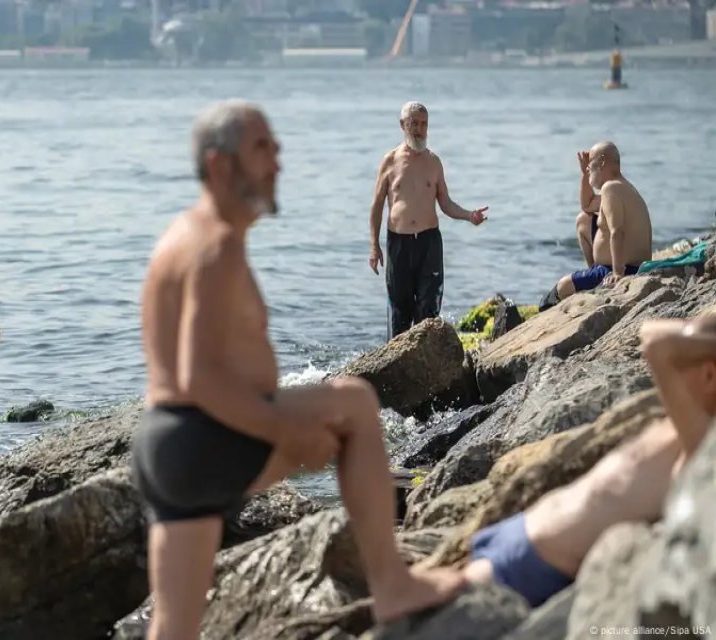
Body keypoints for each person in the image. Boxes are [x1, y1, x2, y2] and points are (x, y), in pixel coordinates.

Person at [132, 100, 464, 640]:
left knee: (174, 626)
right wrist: (282, 430)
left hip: (163, 447)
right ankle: (392, 584)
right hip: (199, 438)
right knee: (355, 405)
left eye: (277, 148)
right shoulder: (212, 247)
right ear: (220, 168)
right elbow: (198, 377)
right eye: (262, 149)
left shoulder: (186, 234)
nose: (278, 163)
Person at [462, 314, 716, 607]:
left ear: (709, 375)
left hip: (534, 562)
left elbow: (658, 342)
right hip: (525, 530)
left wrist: (694, 341)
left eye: (684, 364)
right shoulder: (681, 427)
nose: (673, 374)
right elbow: (650, 332)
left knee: (414, 608)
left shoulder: (701, 442)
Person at [368, 101, 489, 338]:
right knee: (399, 311)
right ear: (402, 125)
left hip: (429, 242)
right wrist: (374, 246)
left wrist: (468, 215)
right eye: (414, 123)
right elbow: (376, 205)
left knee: (429, 309)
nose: (419, 129)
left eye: (424, 124)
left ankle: (428, 362)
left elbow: (445, 203)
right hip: (398, 244)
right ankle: (395, 366)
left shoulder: (434, 162)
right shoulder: (390, 161)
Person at [539, 141, 653, 310]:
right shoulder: (620, 187)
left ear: (602, 162)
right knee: (583, 220)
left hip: (626, 269)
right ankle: (592, 272)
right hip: (619, 265)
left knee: (562, 286)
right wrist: (584, 175)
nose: (587, 168)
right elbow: (587, 205)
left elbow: (617, 231)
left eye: (590, 164)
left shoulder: (611, 188)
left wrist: (617, 273)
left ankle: (547, 306)